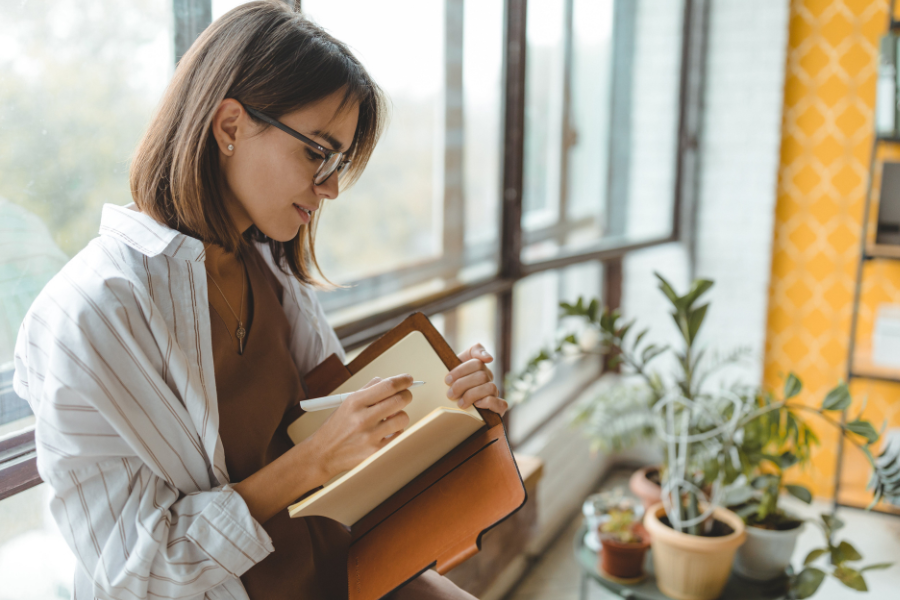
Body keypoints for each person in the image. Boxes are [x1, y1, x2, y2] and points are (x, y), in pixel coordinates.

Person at [12, 2, 507, 599]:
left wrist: (448, 406)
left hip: (346, 569)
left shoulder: (268, 269)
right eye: (316, 152)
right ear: (229, 127)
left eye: (339, 163)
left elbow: (343, 435)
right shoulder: (90, 315)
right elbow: (133, 576)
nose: (329, 188)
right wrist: (314, 462)